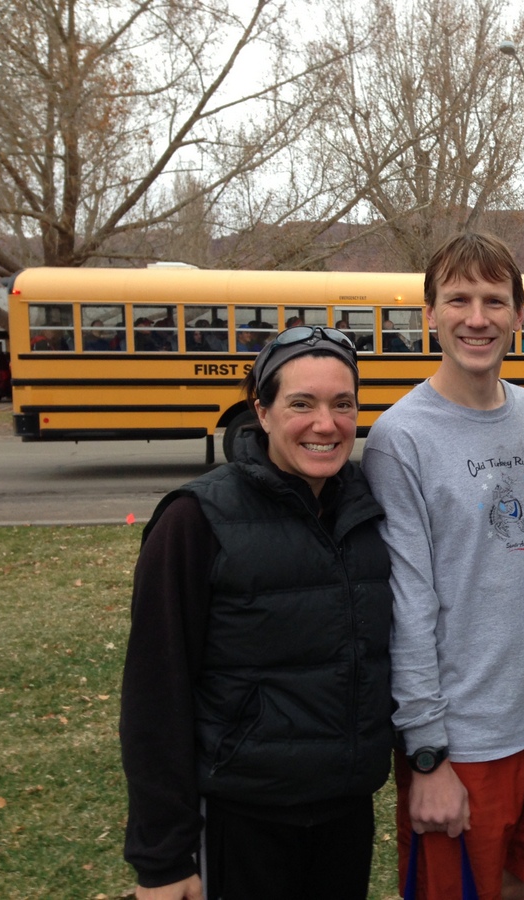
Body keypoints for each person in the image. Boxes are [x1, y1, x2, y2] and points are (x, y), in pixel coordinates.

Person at [119, 325, 394, 900]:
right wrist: (163, 859)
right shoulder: (195, 522)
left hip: (345, 814)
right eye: (302, 404)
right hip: (242, 818)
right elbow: (154, 696)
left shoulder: (369, 515)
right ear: (261, 412)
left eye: (343, 405)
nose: (326, 424)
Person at [362, 232, 524, 900]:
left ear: (519, 317)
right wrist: (428, 752)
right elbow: (409, 605)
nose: (477, 317)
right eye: (458, 299)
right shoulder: (401, 439)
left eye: (495, 300)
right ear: (429, 313)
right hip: (463, 744)